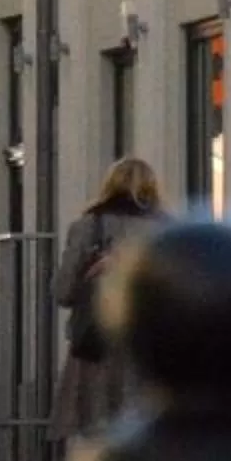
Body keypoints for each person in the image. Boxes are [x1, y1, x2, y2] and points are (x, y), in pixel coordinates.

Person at [50, 156, 167, 446]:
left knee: (96, 436)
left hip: (96, 345)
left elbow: (63, 291)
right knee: (147, 433)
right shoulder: (168, 231)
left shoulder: (88, 227)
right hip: (150, 348)